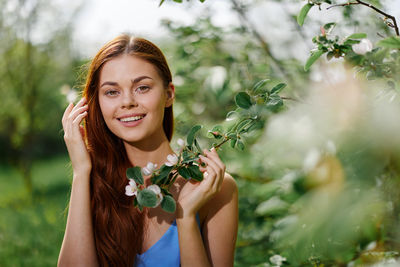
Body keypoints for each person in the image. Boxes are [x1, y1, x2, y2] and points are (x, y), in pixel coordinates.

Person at [58, 34, 238, 267]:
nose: (127, 102)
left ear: (169, 94)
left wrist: (185, 218)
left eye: (142, 87)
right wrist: (81, 172)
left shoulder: (215, 187)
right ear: (96, 104)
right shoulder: (93, 183)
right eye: (112, 92)